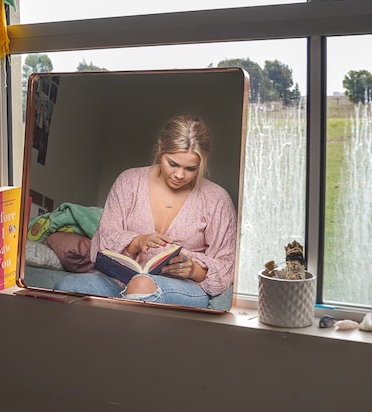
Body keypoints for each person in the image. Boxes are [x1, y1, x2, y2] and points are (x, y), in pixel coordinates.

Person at [56, 114, 237, 308]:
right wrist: (137, 241)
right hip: (119, 281)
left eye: (191, 168)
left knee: (142, 287)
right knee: (67, 285)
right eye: (173, 164)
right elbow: (103, 242)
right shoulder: (129, 181)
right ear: (160, 149)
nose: (179, 175)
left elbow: (226, 264)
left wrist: (194, 270)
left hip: (183, 288)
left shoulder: (216, 199)